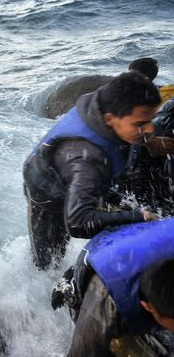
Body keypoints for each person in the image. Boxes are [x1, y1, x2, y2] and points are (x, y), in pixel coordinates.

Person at [23, 71, 162, 270]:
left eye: (151, 120)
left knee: (130, 210)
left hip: (85, 177)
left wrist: (149, 141)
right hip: (49, 194)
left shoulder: (105, 100)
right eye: (140, 125)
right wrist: (138, 218)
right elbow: (78, 223)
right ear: (110, 118)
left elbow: (129, 84)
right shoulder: (86, 158)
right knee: (47, 264)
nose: (150, 129)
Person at [51, 219, 174, 357]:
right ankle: (70, 281)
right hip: (103, 266)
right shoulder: (109, 302)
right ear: (149, 308)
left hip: (135, 241)